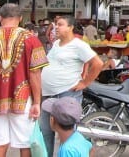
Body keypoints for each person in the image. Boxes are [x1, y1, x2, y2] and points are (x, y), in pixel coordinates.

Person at [0, 3, 49, 156]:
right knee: (25, 143)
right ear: (20, 18)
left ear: (0, 18)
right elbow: (35, 74)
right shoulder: (32, 40)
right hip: (22, 99)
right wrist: (36, 102)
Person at [40, 15, 103, 157]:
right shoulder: (56, 44)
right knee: (45, 130)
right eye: (56, 24)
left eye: (60, 24)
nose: (56, 27)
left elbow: (97, 63)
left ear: (70, 27)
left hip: (66, 93)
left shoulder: (79, 45)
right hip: (48, 94)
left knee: (67, 133)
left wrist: (85, 83)